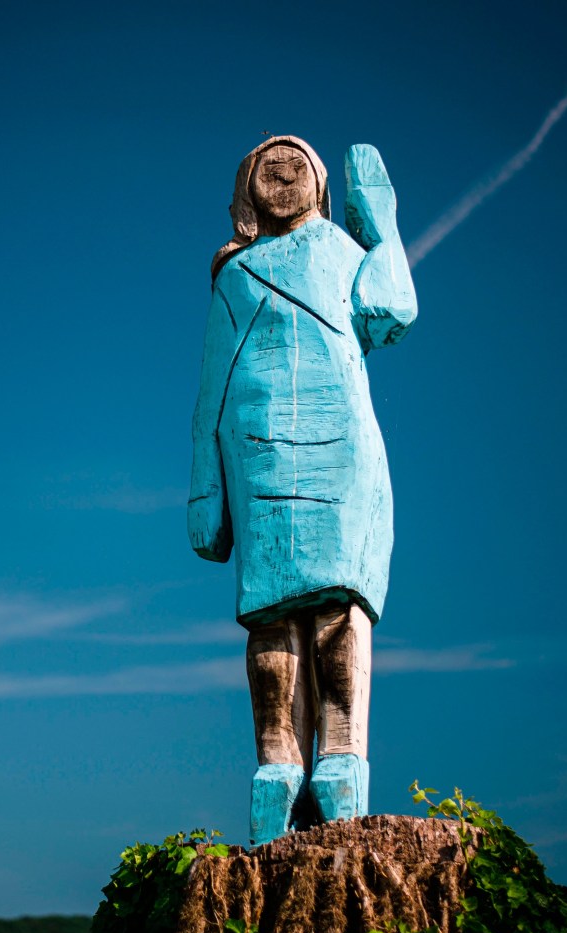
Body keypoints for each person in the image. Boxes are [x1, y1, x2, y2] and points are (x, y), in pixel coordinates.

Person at [189, 135, 416, 844]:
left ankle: (340, 758)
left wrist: (378, 222)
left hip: (338, 444)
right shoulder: (235, 276)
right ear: (247, 187)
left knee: (335, 610)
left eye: (296, 169)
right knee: (270, 618)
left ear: (315, 183)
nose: (282, 177)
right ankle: (276, 765)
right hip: (255, 453)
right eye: (270, 168)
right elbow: (211, 389)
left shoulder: (343, 254)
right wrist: (206, 491)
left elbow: (393, 311)